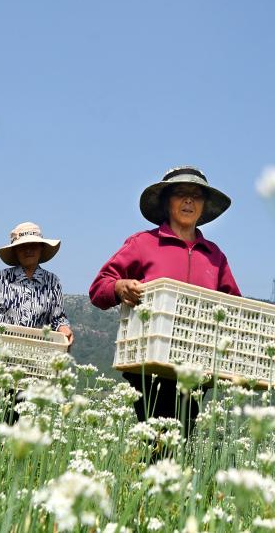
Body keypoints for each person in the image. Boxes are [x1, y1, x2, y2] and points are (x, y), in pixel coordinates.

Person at [89, 166, 240, 432]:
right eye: (181, 193)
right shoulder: (142, 243)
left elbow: (234, 306)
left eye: (196, 196)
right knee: (157, 441)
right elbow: (99, 288)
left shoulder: (215, 256)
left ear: (204, 207)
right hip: (149, 365)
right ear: (166, 201)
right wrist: (121, 287)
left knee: (180, 441)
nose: (189, 201)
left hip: (196, 366)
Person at [0, 221, 74, 347]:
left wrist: (63, 327)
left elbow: (57, 318)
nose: (28, 250)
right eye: (23, 246)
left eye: (33, 245)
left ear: (41, 248)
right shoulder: (2, 278)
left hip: (34, 353)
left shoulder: (52, 282)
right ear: (15, 250)